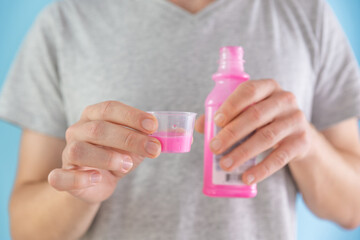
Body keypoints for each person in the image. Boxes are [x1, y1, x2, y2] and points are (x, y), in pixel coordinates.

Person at [1, 0, 360, 239]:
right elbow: (25, 228)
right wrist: (79, 194)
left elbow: (352, 208)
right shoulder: (67, 20)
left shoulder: (306, 13)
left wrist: (305, 143)